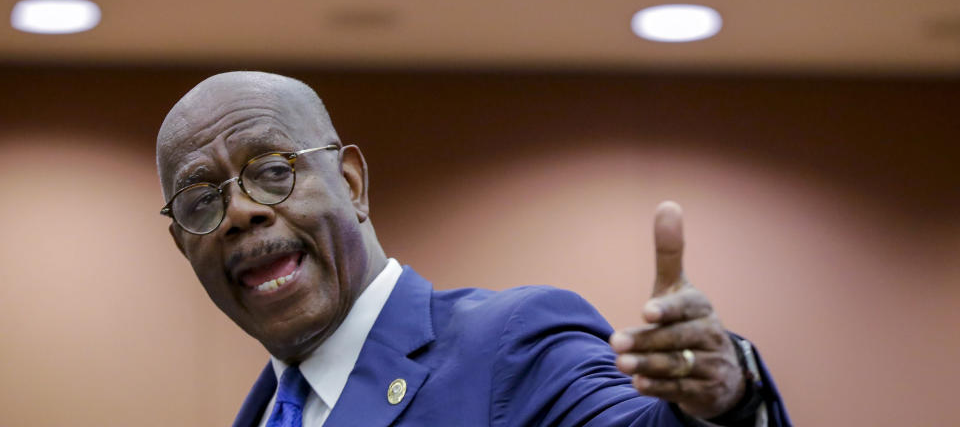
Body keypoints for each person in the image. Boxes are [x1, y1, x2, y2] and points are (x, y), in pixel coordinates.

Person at [156, 71, 791, 427]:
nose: (240, 211)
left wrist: (722, 403)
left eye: (273, 169)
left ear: (351, 185)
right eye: (201, 200)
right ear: (185, 248)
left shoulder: (511, 345)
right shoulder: (265, 414)